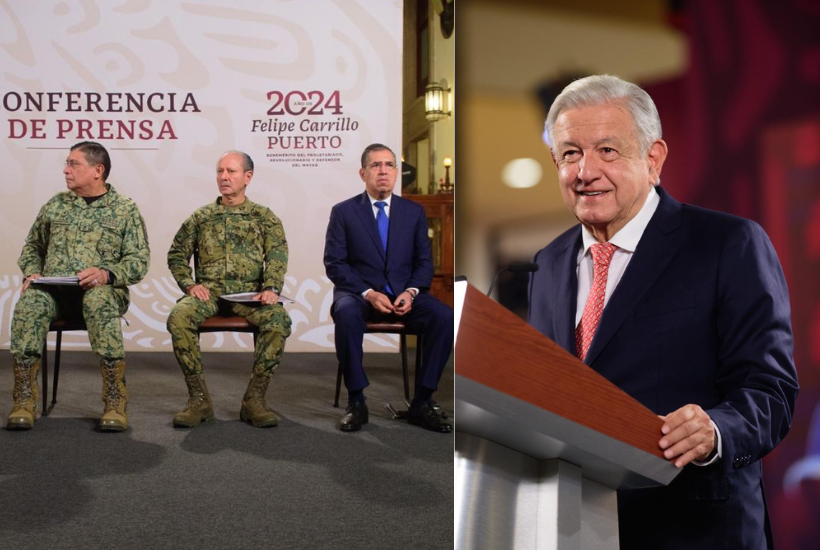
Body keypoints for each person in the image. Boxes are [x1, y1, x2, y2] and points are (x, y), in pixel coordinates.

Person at [528, 75, 799, 549]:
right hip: (578, 527)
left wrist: (715, 430)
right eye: (570, 153)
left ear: (653, 159)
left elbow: (771, 390)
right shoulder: (548, 262)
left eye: (607, 151)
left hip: (696, 528)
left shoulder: (727, 244)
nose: (585, 171)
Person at [9, 141, 150, 432]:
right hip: (54, 293)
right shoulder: (56, 205)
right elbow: (33, 246)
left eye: (74, 164)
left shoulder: (124, 210)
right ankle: (24, 399)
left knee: (98, 300)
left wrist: (106, 274)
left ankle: (114, 400)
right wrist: (32, 272)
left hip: (102, 292)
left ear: (98, 170)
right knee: (30, 303)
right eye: (66, 164)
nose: (65, 170)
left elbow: (139, 261)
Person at [324, 143, 453, 433]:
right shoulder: (344, 212)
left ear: (397, 172)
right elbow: (335, 263)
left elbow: (423, 262)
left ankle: (422, 400)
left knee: (443, 317)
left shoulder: (413, 213)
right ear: (363, 173)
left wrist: (411, 292)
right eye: (375, 165)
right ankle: (356, 401)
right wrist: (368, 293)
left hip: (404, 295)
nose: (383, 171)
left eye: (389, 165)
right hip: (359, 295)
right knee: (345, 312)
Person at [166, 151, 291, 429]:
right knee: (179, 316)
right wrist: (189, 284)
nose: (224, 177)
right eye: (220, 171)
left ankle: (254, 401)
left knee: (278, 319)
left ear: (248, 177)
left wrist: (271, 288)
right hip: (208, 294)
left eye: (231, 171)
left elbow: (277, 255)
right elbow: (176, 255)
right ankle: (198, 400)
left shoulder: (263, 217)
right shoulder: (202, 217)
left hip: (249, 295)